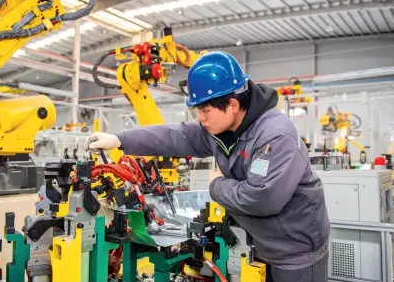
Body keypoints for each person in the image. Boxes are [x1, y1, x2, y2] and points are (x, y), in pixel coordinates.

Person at [84, 51, 329, 282]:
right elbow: (174, 136)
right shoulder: (222, 128)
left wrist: (217, 184)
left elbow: (262, 198)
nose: (200, 117)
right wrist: (120, 140)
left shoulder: (274, 135)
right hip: (257, 245)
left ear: (233, 105)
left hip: (293, 255)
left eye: (205, 110)